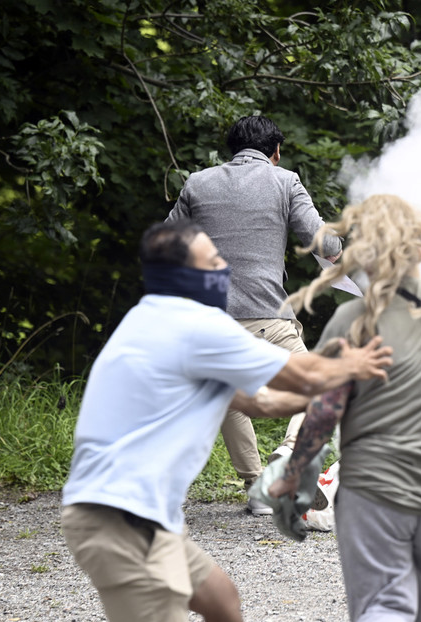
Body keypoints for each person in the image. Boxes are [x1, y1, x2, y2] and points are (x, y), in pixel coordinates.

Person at [61, 221, 392, 622]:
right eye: (215, 260)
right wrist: (355, 363)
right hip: (119, 519)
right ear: (185, 276)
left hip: (144, 515)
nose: (225, 268)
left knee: (222, 601)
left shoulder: (151, 320)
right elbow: (303, 374)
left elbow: (260, 402)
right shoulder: (195, 326)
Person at [260, 194, 421, 621]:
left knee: (384, 604)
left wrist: (294, 475)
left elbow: (323, 414)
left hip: (377, 491)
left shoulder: (353, 323)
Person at [166, 114, 343, 515]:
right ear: (275, 152)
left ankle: (255, 486)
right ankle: (287, 455)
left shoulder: (198, 183)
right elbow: (323, 243)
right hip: (268, 319)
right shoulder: (284, 181)